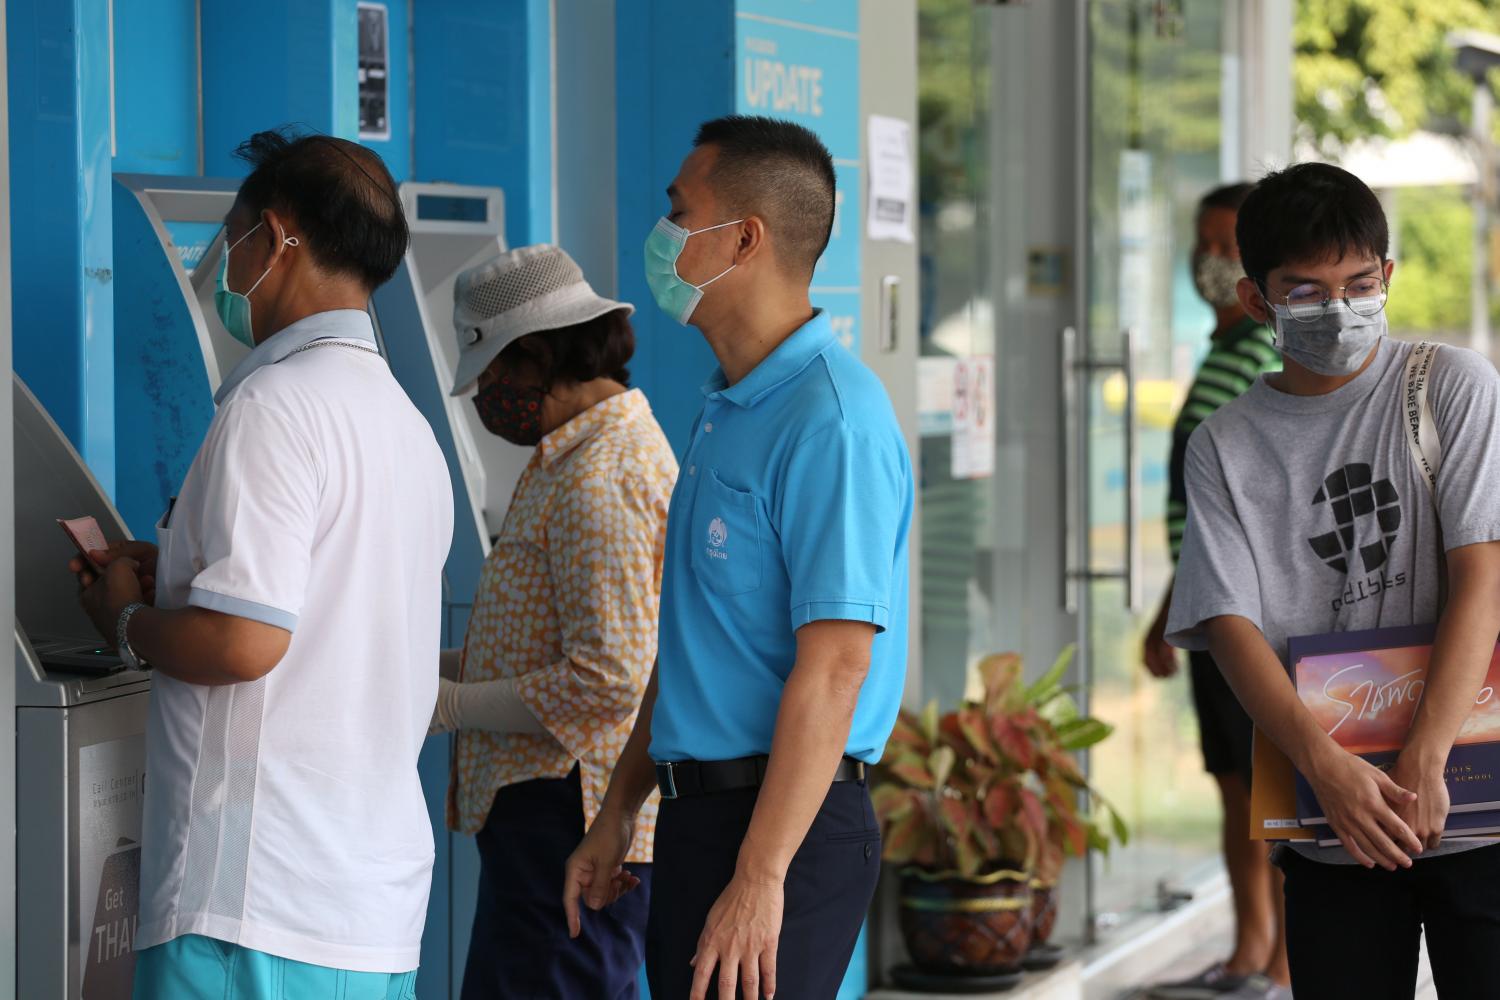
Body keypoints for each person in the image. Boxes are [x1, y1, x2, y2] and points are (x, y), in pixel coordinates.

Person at [73, 128, 452, 998]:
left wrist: (126, 619)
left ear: (274, 238)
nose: (222, 267)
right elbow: (330, 602)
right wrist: (176, 566)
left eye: (230, 239)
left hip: (253, 908)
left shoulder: (274, 407)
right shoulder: (404, 425)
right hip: (370, 913)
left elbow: (245, 643)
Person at [563, 114, 914, 1000]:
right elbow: (694, 650)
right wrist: (619, 811)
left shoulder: (832, 421)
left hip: (782, 830)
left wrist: (761, 880)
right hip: (703, 820)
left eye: (679, 211)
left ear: (744, 237)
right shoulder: (727, 409)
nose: (663, 232)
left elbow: (836, 668)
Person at [1166, 162, 1500, 999]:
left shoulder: (1452, 388)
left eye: (1358, 284)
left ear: (1387, 277)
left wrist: (1427, 753)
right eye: (1307, 292)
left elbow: (1480, 578)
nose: (1340, 309)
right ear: (1257, 301)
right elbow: (1230, 627)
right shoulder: (1225, 446)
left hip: (1477, 805)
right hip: (1328, 823)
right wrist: (1325, 767)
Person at [427, 244, 676, 998]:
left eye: (493, 376)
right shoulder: (573, 457)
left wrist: (453, 705)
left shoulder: (601, 478)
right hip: (549, 808)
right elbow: (547, 632)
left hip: (572, 810)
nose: (485, 401)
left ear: (534, 357)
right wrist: (442, 666)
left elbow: (611, 676)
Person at [1142, 183, 1291, 1000]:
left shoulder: (1261, 356)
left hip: (1248, 617)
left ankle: (1280, 962)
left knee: (1269, 793)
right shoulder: (1223, 347)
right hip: (1208, 605)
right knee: (1237, 790)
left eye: (1226, 243)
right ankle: (1249, 953)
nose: (1209, 259)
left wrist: (1177, 607)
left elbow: (1239, 507)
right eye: (1202, 241)